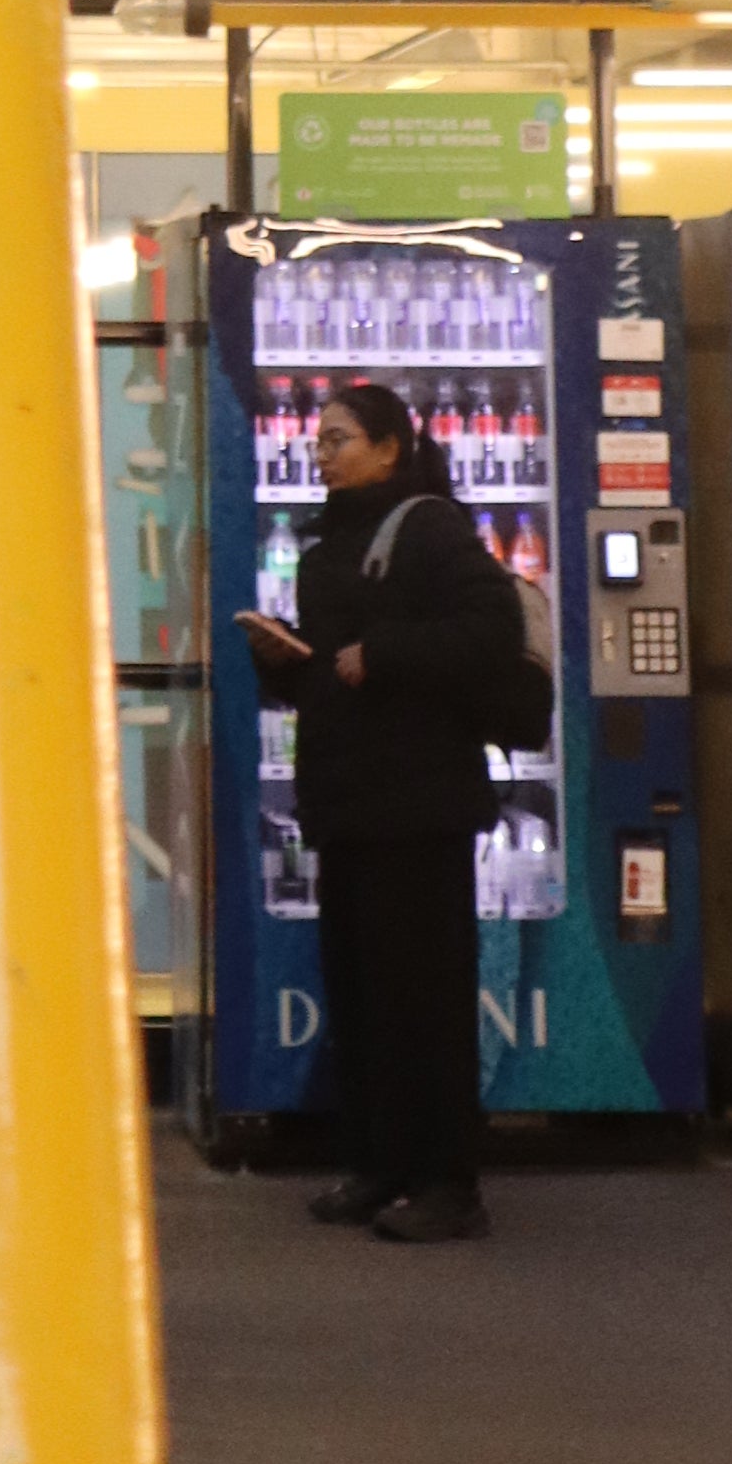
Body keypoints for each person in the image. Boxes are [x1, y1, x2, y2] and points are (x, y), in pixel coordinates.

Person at [240, 379, 533, 1241]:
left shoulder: (430, 526)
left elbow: (488, 629)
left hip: (420, 804)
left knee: (425, 1001)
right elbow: (335, 665)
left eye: (337, 440)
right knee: (364, 997)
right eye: (317, 441)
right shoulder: (330, 541)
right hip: (349, 800)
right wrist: (285, 662)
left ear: (390, 447)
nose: (320, 454)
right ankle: (379, 1165)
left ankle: (450, 1185)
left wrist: (387, 653)